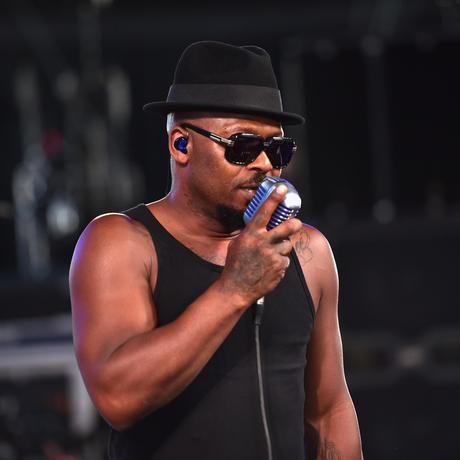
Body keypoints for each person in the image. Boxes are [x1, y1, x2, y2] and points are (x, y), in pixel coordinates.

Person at [70, 41, 363, 460]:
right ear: (181, 145)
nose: (264, 164)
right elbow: (118, 397)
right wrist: (236, 288)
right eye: (242, 146)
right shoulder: (122, 242)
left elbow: (330, 410)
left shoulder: (307, 251)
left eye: (277, 149)